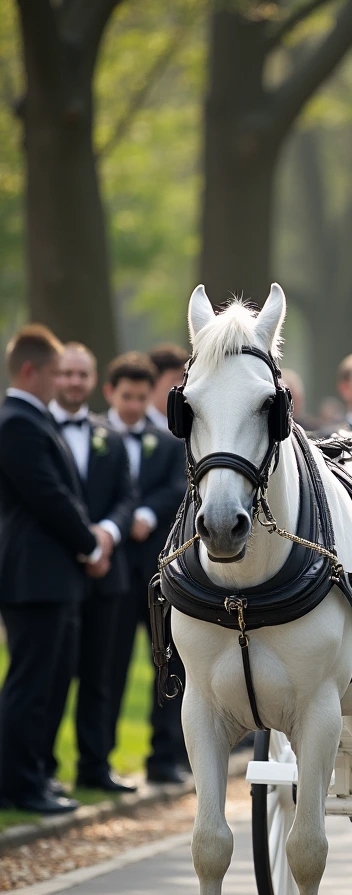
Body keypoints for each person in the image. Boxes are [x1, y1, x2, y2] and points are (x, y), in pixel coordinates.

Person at [0, 326, 115, 814]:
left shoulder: (29, 418)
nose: (57, 382)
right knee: (31, 683)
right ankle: (17, 784)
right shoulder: (17, 422)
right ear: (30, 371)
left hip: (51, 575)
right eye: (52, 372)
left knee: (48, 682)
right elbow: (47, 496)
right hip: (34, 576)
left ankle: (35, 776)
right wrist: (91, 545)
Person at [46, 343, 137, 793]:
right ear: (52, 376)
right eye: (66, 374)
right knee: (51, 675)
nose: (73, 382)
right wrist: (84, 543)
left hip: (108, 574)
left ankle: (95, 766)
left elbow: (126, 497)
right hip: (55, 570)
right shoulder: (36, 431)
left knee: (103, 675)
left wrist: (107, 534)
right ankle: (41, 768)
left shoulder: (110, 437)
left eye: (81, 375)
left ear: (93, 381)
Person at [104, 353, 189, 784]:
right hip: (113, 571)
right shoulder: (98, 437)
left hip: (156, 569)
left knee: (168, 661)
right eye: (127, 396)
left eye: (142, 395)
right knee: (109, 664)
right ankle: (98, 758)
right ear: (111, 394)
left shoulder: (168, 442)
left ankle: (164, 755)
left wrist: (149, 515)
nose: (135, 404)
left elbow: (177, 487)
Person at [146, 344, 188, 432]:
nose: (183, 386)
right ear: (154, 381)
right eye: (176, 379)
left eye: (185, 379)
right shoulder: (138, 427)